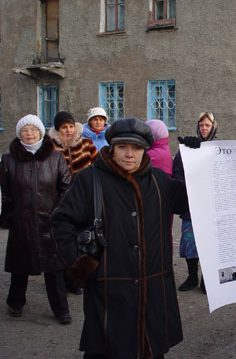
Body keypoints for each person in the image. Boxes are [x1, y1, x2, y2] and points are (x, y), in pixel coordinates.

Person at [51, 117, 189, 359]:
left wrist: (196, 158)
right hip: (107, 293)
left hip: (152, 292)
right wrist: (82, 264)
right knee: (106, 351)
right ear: (112, 147)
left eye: (136, 148)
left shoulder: (159, 181)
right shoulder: (90, 179)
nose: (129, 154)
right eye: (123, 147)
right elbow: (61, 223)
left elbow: (194, 198)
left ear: (145, 150)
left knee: (149, 350)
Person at [0, 114, 72, 324]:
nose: (29, 133)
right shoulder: (8, 160)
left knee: (54, 269)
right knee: (19, 266)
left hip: (49, 222)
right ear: (19, 134)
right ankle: (15, 303)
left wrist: (58, 213)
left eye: (33, 129)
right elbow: (5, 192)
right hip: (21, 221)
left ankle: (60, 309)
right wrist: (10, 216)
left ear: (41, 132)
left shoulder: (55, 158)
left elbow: (66, 187)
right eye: (24, 130)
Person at [172, 111, 218, 292]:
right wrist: (184, 183)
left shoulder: (219, 148)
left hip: (212, 207)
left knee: (209, 244)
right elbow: (177, 170)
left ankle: (207, 279)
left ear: (213, 127)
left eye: (207, 125)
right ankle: (192, 277)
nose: (204, 128)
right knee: (190, 242)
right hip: (191, 205)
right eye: (201, 125)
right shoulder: (187, 147)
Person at [49, 111, 98, 176]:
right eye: (64, 127)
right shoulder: (52, 147)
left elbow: (98, 164)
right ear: (58, 130)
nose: (68, 130)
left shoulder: (87, 143)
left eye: (71, 126)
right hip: (63, 182)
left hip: (85, 181)